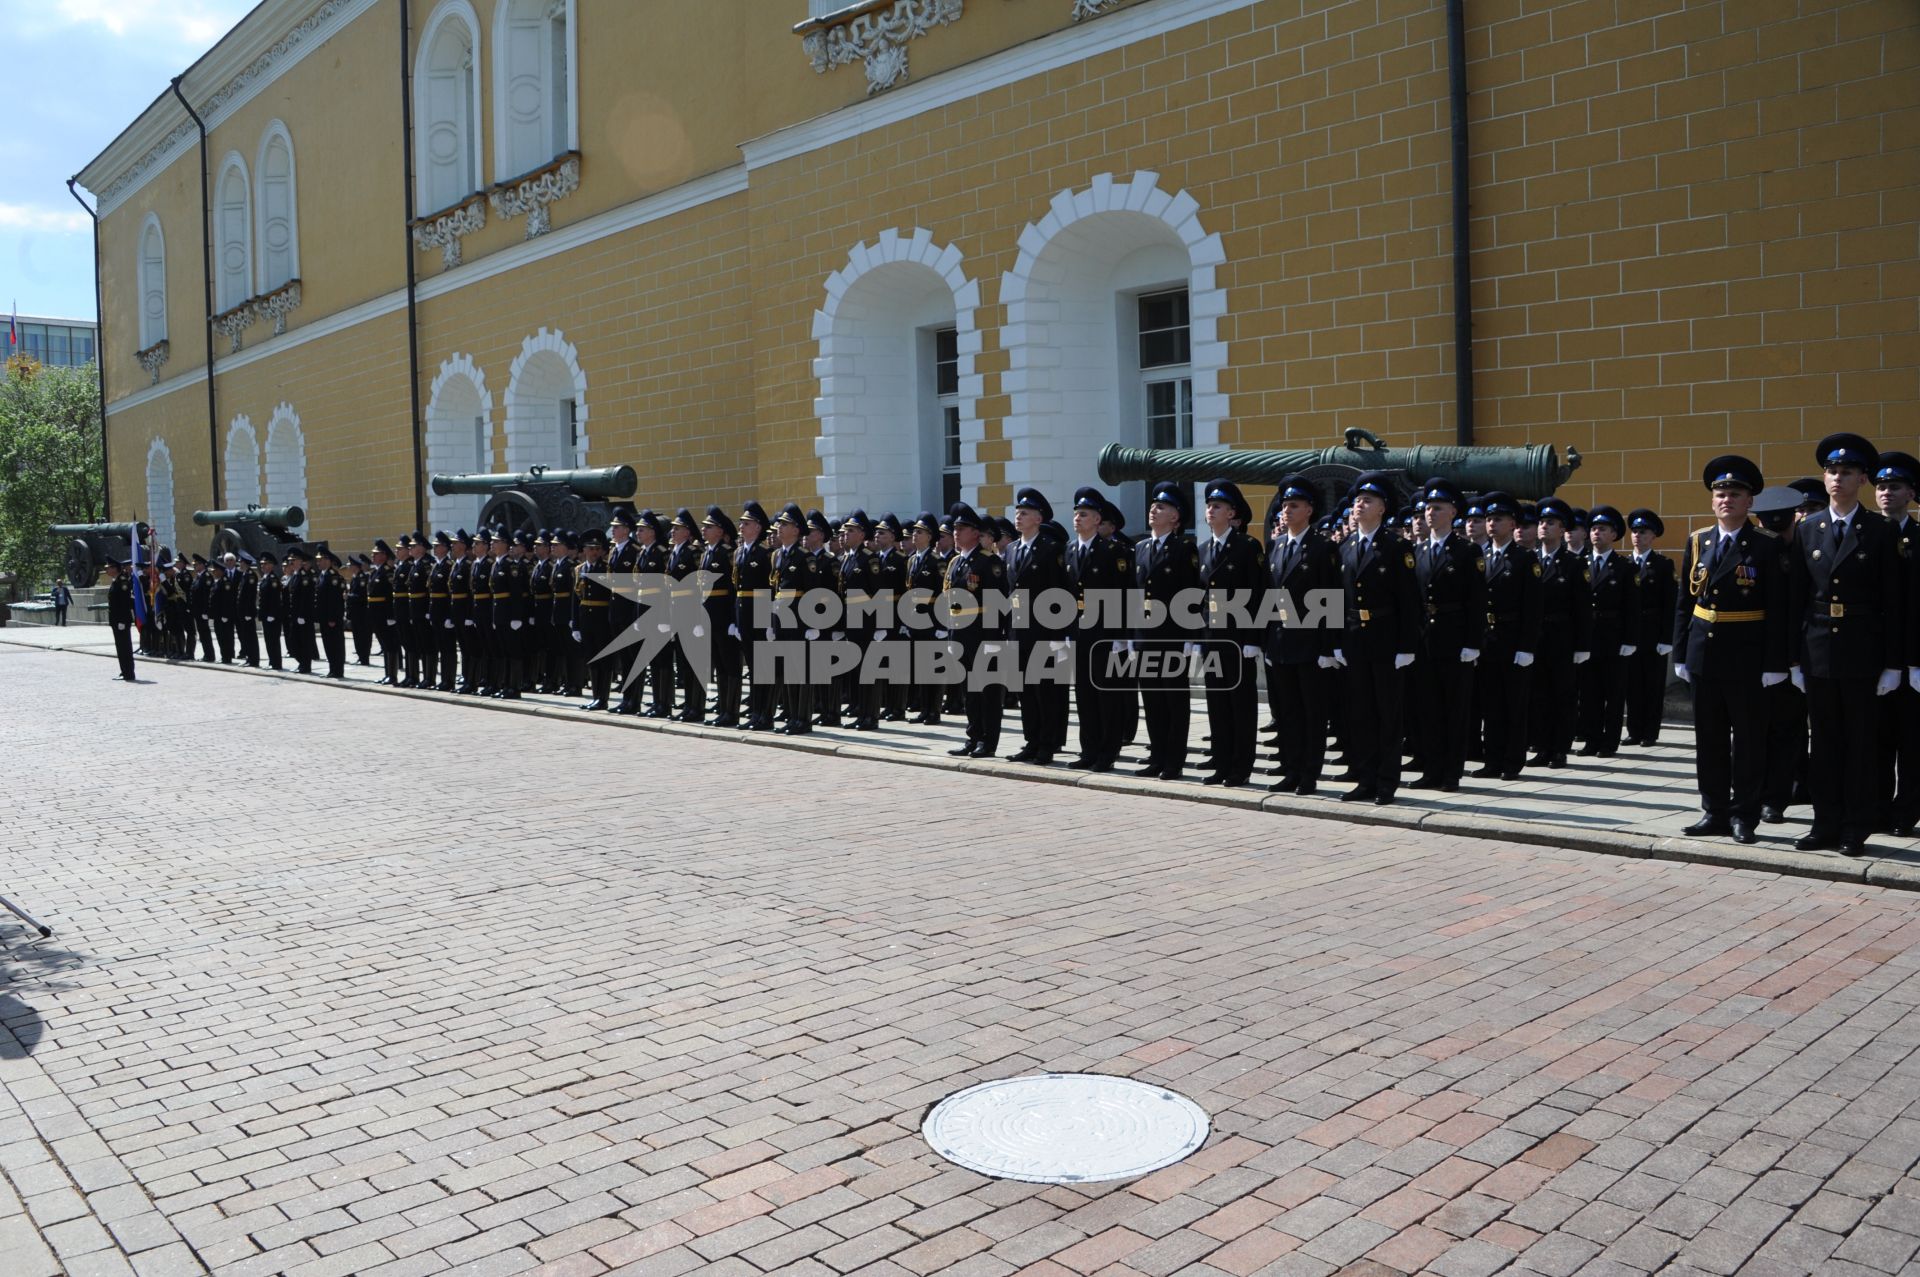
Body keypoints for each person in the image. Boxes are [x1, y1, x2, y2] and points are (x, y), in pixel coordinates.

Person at [1790, 434, 1906, 855]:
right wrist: (1793, 660)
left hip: (1862, 653)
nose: (1838, 478)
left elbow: (1893, 603)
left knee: (1861, 744)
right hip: (1817, 651)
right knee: (1822, 743)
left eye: (1847, 473)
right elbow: (1796, 599)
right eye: (1832, 471)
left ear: (1862, 479)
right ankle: (1824, 823)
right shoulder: (1809, 529)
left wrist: (1894, 664)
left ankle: (1856, 826)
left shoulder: (1878, 531)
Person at [1674, 454, 1791, 846]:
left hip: (1747, 656)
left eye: (1735, 493)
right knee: (1709, 739)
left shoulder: (1765, 546)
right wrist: (1679, 655)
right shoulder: (1698, 541)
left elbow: (1779, 609)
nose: (1726, 499)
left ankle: (1745, 815)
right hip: (1704, 655)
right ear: (1712, 500)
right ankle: (1714, 810)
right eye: (1720, 493)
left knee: (1749, 741)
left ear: (1749, 502)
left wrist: (1775, 663)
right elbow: (1684, 604)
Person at [1334, 471, 1421, 804]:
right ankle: (1365, 778)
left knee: (1387, 715)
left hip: (1386, 640)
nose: (1359, 504)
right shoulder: (1345, 546)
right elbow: (1336, 598)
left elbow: (1409, 601)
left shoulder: (1396, 547)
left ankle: (1387, 782)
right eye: (1357, 499)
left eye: (1367, 500)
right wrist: (1336, 641)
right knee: (1360, 714)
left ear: (1383, 508)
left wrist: (1407, 646)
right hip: (1355, 640)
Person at [1263, 474, 1340, 795]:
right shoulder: (1277, 547)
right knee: (1289, 715)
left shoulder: (1322, 547)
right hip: (1280, 645)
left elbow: (1332, 597)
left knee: (1312, 714)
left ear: (1309, 510)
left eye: (1293, 505)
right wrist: (1266, 640)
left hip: (1310, 646)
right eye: (1284, 505)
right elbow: (1270, 598)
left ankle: (1309, 774)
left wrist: (1328, 647)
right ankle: (1291, 769)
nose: (1286, 510)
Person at [1410, 478, 1485, 793]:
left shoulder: (1467, 551)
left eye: (1437, 508)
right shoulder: (1419, 550)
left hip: (1455, 640)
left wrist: (1472, 643)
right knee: (1427, 709)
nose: (1430, 513)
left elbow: (1477, 601)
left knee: (1454, 710)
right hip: (1426, 640)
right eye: (1427, 508)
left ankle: (1451, 772)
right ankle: (1431, 769)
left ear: (1453, 512)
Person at [1474, 492, 1541, 780]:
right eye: (1488, 519)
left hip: (1513, 639)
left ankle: (1512, 761)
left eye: (1497, 519)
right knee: (1491, 704)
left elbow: (1532, 608)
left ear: (1512, 523)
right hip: (1488, 640)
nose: (1491, 524)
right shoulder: (1480, 556)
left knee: (1513, 704)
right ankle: (1492, 759)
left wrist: (1526, 646)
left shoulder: (1525, 559)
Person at [1872, 451, 1919, 836]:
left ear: (1911, 494)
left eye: (1895, 486)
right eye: (1881, 486)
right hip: (1872, 656)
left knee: (1913, 741)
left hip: (1912, 656)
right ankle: (1878, 807)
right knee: (1876, 739)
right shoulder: (1866, 534)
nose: (1886, 492)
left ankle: (1906, 812)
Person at [1530, 498, 1592, 769]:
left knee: (1563, 695)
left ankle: (1559, 749)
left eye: (1550, 523)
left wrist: (1582, 644)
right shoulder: (1530, 559)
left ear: (1562, 528)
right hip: (1536, 636)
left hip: (1562, 636)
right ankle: (1542, 746)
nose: (1544, 527)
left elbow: (1582, 607)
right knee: (1539, 693)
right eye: (1541, 522)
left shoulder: (1574, 563)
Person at [944, 502, 1008, 757]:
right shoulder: (957, 563)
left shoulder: (988, 563)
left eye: (963, 528)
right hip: (962, 634)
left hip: (984, 634)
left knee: (988, 691)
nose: (956, 533)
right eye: (955, 529)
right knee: (970, 690)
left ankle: (988, 741)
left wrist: (995, 638)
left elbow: (998, 602)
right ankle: (973, 736)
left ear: (975, 532)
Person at [1577, 506, 1640, 757]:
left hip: (1613, 637)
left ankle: (1609, 741)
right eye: (1593, 529)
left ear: (1614, 534)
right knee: (1589, 692)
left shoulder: (1624, 567)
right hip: (1588, 637)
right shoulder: (1581, 563)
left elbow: (1632, 607)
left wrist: (1630, 639)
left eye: (1602, 529)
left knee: (1613, 693)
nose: (1596, 533)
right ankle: (1591, 739)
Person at [1624, 510, 1675, 746]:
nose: (1637, 536)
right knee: (1632, 685)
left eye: (1642, 532)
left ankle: (1650, 732)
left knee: (1653, 686)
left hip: (1653, 634)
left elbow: (1669, 604)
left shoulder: (1663, 565)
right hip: (1630, 634)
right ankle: (1634, 731)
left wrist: (1666, 638)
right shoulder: (1624, 564)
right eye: (1634, 532)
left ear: (1653, 536)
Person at [700, 506, 741, 727]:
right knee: (719, 665)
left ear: (720, 530)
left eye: (709, 527)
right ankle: (723, 709)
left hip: (724, 618)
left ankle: (732, 712)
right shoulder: (707, 553)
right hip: (710, 617)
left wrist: (734, 620)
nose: (704, 530)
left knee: (730, 664)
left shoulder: (727, 553)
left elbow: (734, 588)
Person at [315, 547, 348, 679]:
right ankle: (332, 669)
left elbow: (334, 600)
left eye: (321, 560)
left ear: (328, 560)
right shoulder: (322, 576)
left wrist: (332, 617)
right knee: (328, 644)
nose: (318, 563)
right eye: (317, 560)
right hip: (324, 617)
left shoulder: (333, 577)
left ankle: (338, 670)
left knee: (335, 644)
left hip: (332, 618)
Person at [104, 558, 137, 681]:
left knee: (124, 647)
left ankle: (128, 673)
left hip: (121, 620)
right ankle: (125, 671)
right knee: (121, 647)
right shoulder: (116, 581)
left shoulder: (122, 581)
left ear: (115, 568)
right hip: (117, 620)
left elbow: (124, 603)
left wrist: (122, 621)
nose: (107, 570)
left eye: (109, 567)